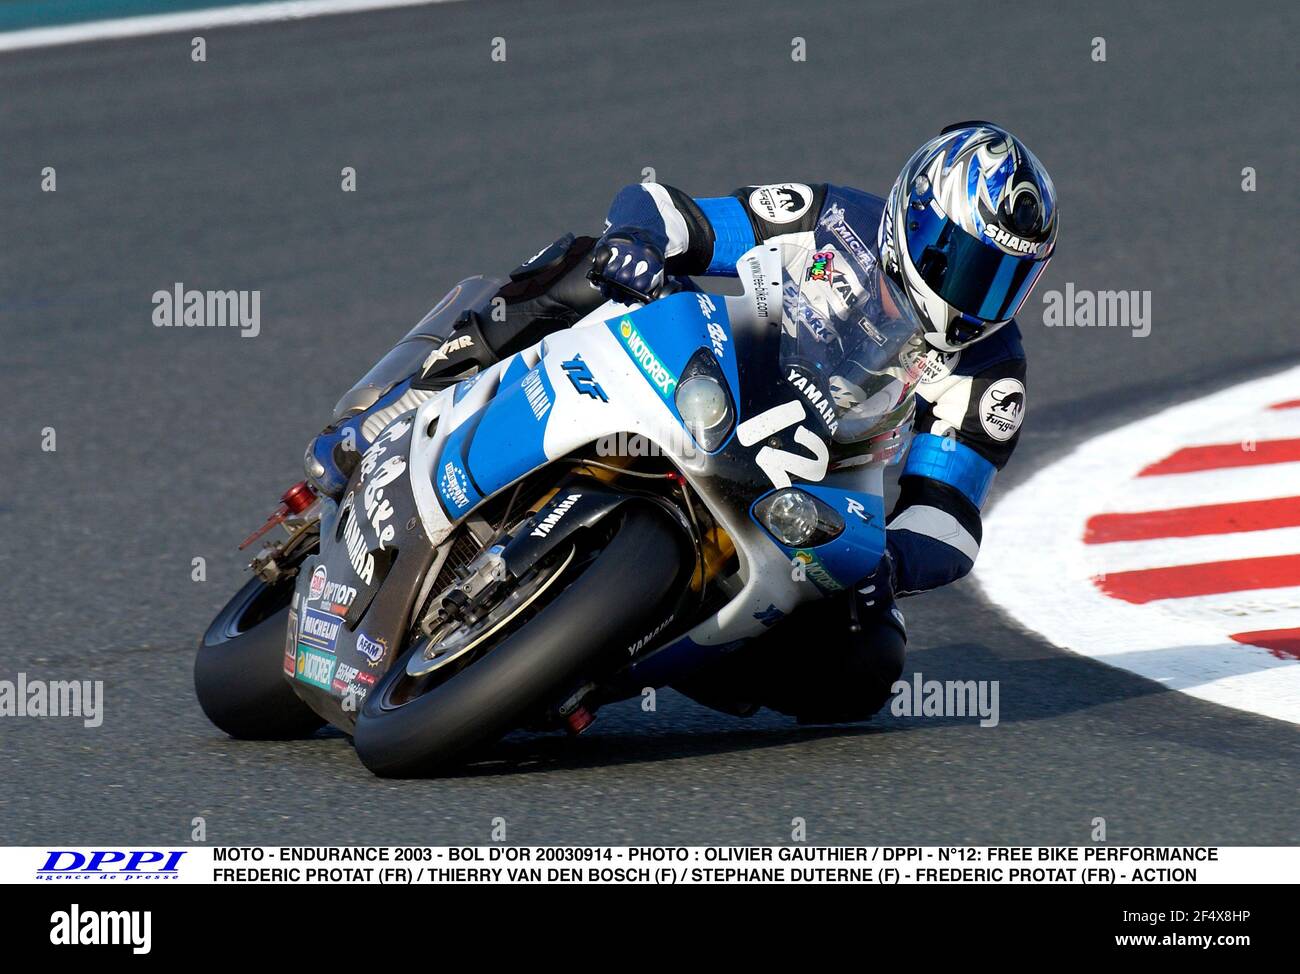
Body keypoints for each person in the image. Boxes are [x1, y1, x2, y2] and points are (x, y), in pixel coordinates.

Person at [307, 121, 1058, 723]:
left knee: (868, 671)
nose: (978, 294)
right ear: (916, 219)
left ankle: (613, 655)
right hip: (728, 371)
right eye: (962, 261)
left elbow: (949, 516)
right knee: (581, 264)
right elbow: (680, 215)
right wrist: (637, 244)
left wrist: (889, 561)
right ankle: (409, 394)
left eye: (1004, 277)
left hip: (813, 483)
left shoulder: (991, 372)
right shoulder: (839, 222)